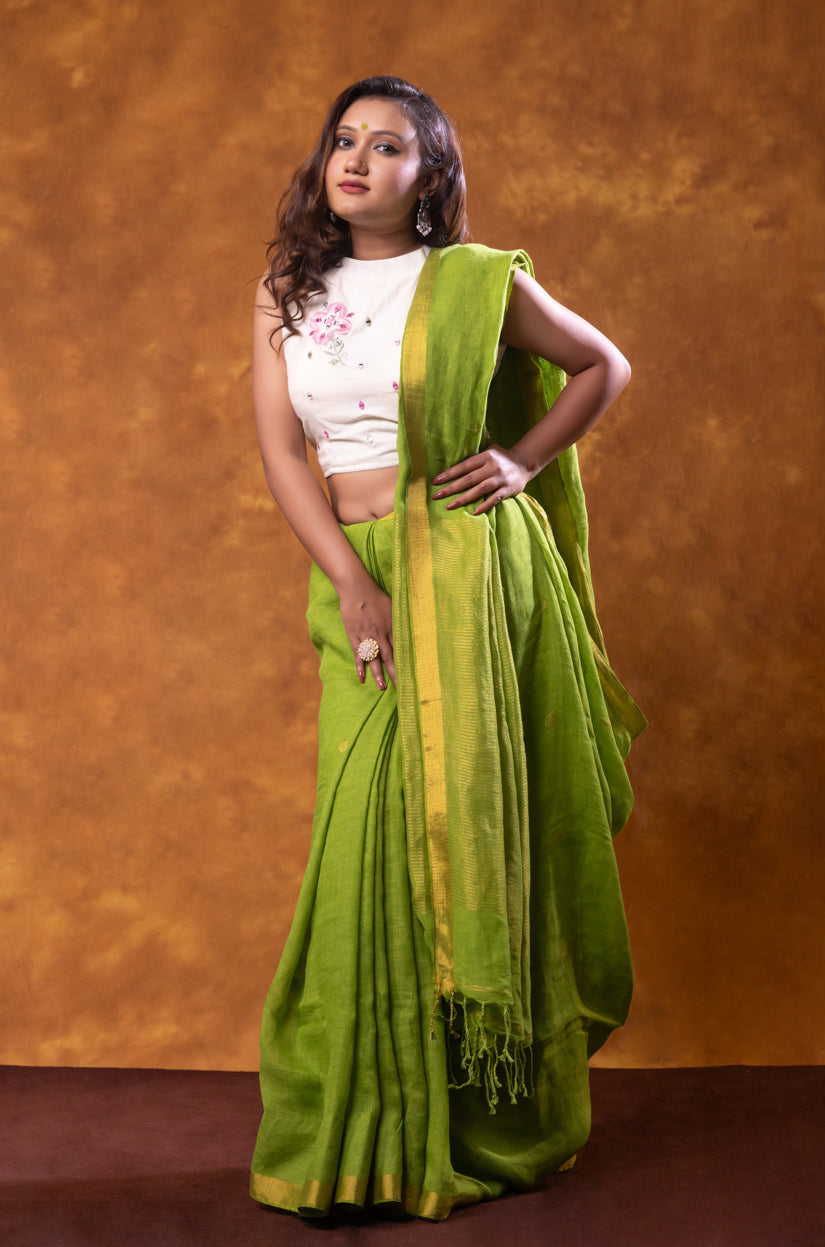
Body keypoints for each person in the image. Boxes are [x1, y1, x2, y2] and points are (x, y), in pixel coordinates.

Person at [249, 75, 646, 1222]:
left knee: (469, 825)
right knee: (362, 826)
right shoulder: (286, 287)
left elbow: (601, 366)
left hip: (469, 575)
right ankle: (359, 1123)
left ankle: (476, 1118)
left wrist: (518, 460)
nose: (358, 159)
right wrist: (350, 581)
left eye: (389, 146)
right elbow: (281, 448)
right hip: (361, 571)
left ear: (430, 178)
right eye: (344, 139)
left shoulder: (474, 281)